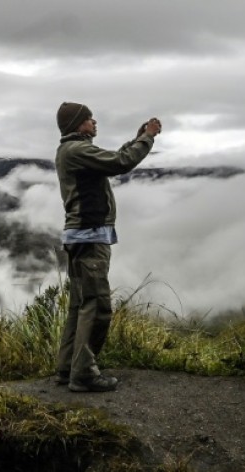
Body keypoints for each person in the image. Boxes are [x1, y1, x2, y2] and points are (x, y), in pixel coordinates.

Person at [53, 102, 162, 392]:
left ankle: (68, 368)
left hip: (79, 236)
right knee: (98, 306)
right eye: (88, 119)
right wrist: (147, 137)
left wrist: (136, 138)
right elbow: (120, 163)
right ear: (77, 125)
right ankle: (84, 373)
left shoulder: (71, 151)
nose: (94, 122)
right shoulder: (78, 150)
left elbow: (112, 159)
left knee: (80, 305)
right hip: (90, 237)